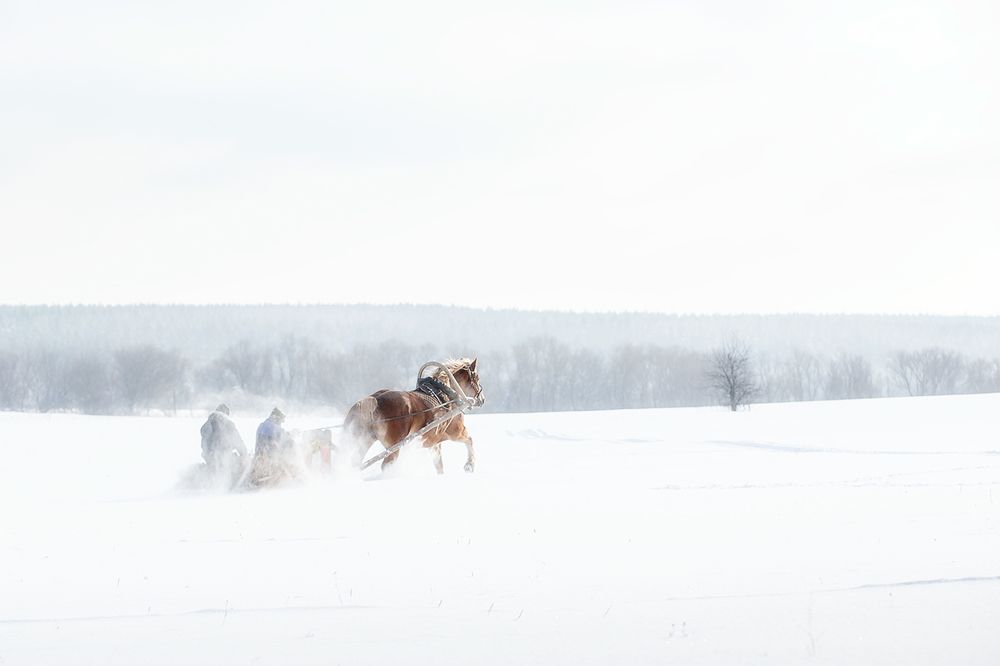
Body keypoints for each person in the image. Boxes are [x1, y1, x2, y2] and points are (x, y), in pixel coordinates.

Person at [199, 404, 248, 487]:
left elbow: (204, 442)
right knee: (235, 466)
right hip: (224, 456)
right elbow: (237, 440)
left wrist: (207, 453)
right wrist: (244, 453)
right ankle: (230, 485)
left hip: (209, 456)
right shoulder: (228, 424)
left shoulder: (207, 424)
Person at [249, 407, 296, 487]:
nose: (281, 423)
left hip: (258, 459)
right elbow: (286, 440)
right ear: (277, 418)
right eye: (281, 421)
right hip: (270, 461)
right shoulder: (274, 428)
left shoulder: (262, 425)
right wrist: (292, 436)